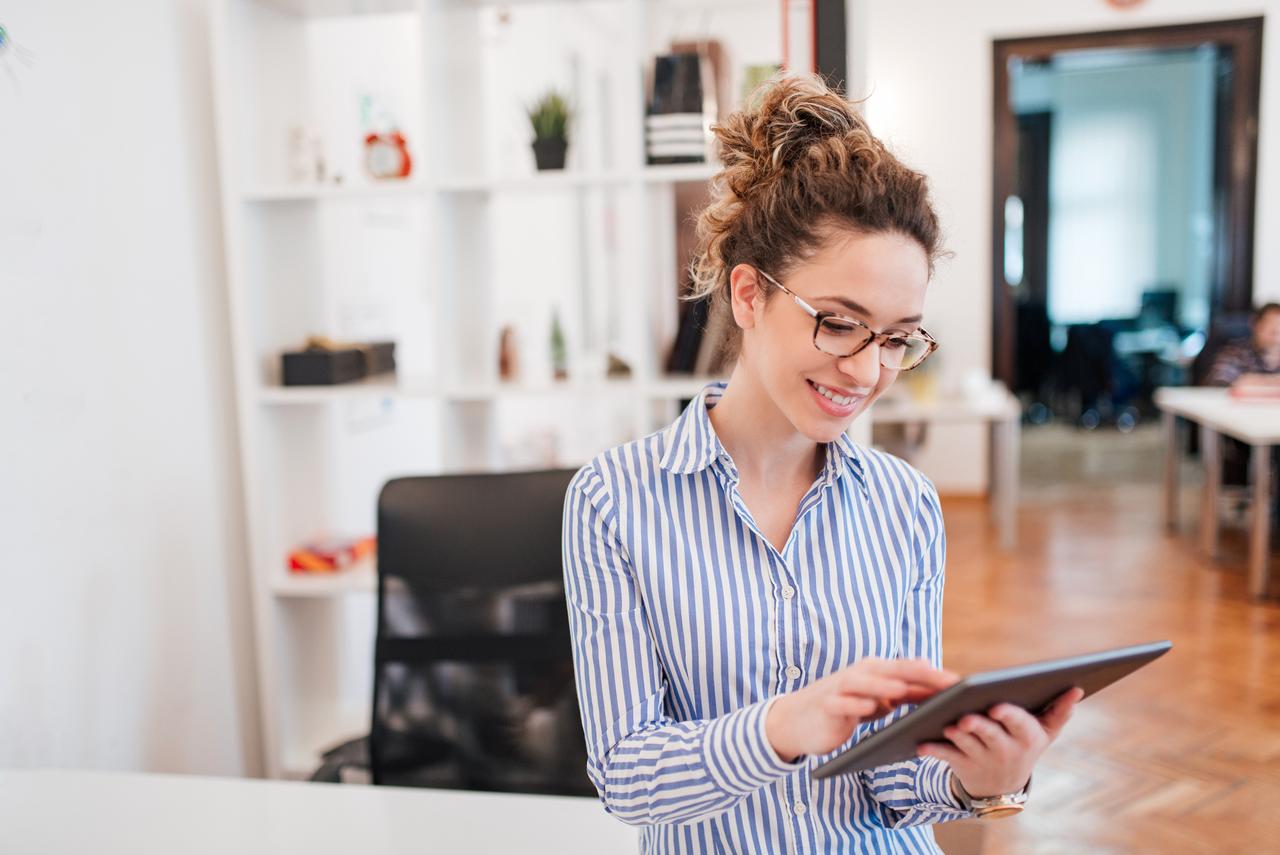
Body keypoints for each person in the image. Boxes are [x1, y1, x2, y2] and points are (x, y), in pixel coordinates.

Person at [561, 74, 1081, 854]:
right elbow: (628, 775)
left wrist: (982, 777)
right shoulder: (614, 500)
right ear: (747, 294)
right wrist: (783, 726)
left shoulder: (905, 504)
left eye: (898, 337)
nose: (868, 370)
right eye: (839, 324)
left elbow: (897, 779)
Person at [1204, 302, 1280, 390]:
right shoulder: (1235, 353)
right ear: (1256, 324)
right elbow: (1219, 383)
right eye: (1271, 326)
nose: (1276, 332)